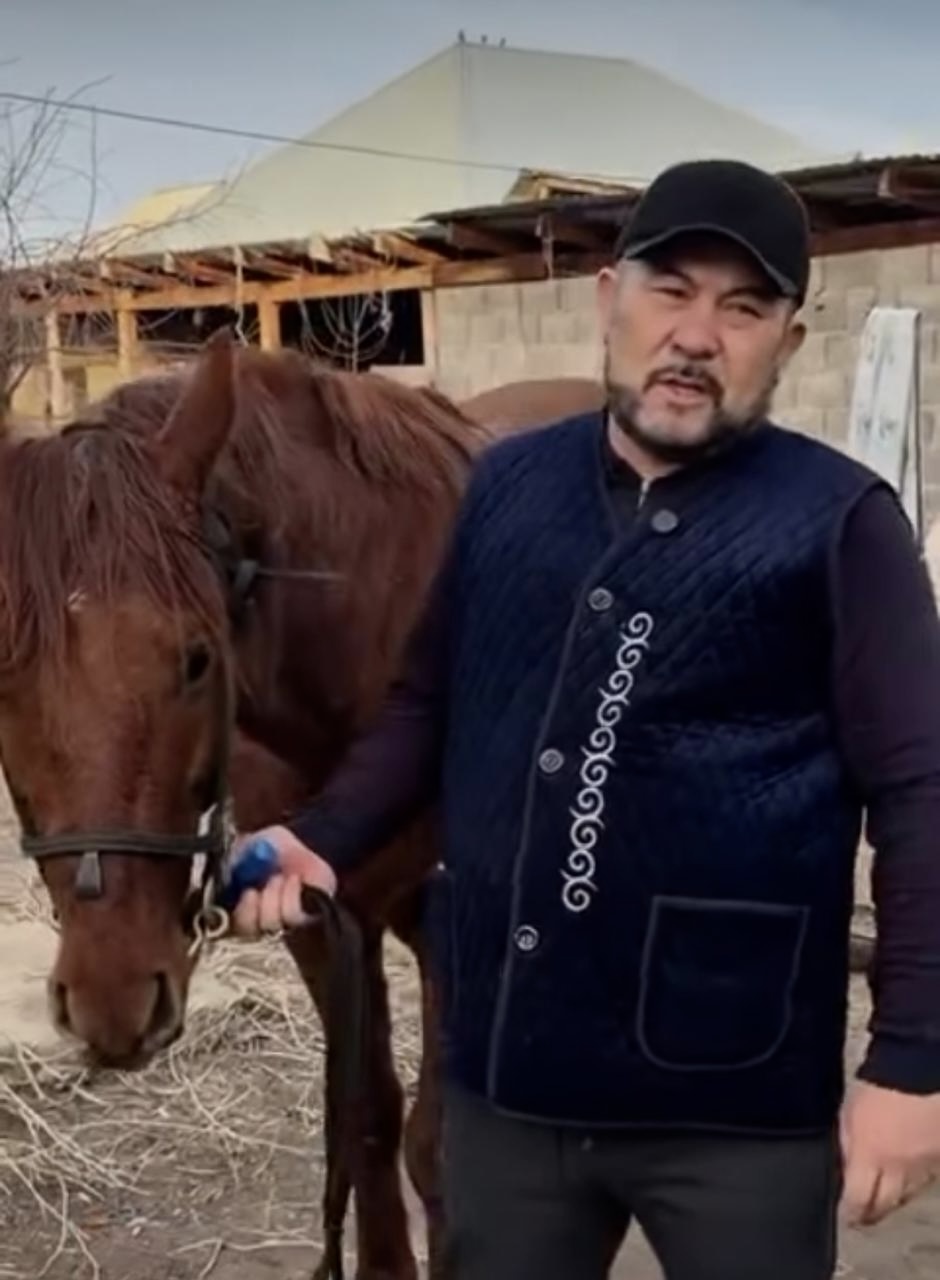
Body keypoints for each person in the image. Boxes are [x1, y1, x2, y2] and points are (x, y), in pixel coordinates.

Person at [231, 158, 940, 1280]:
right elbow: (429, 699)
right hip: (511, 1082)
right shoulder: (506, 489)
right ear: (609, 297)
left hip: (734, 1100)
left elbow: (919, 795)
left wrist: (911, 1060)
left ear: (789, 342)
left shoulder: (839, 524)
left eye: (743, 307)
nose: (696, 335)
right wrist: (324, 835)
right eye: (671, 289)